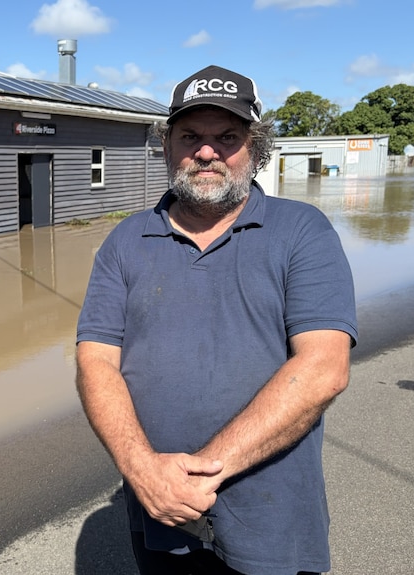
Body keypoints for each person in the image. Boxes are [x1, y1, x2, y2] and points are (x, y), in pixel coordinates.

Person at [75, 65, 358, 575]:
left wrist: (201, 475)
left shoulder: (302, 231)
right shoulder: (124, 241)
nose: (207, 152)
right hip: (162, 510)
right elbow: (95, 360)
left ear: (256, 147)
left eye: (227, 137)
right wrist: (142, 470)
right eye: (191, 136)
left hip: (272, 516)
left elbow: (324, 367)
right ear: (167, 146)